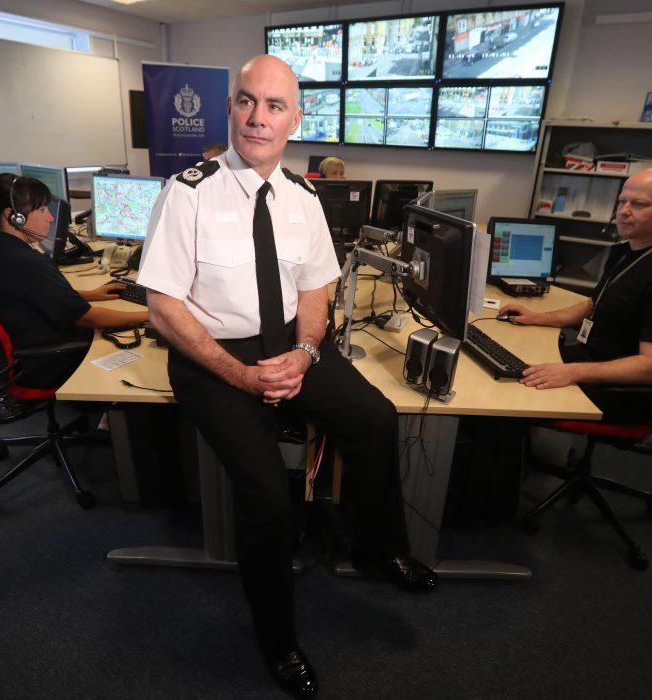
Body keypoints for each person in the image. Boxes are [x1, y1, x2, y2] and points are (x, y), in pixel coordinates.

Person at [137, 54, 437, 698]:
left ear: (294, 120)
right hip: (212, 358)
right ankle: (278, 639)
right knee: (270, 499)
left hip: (288, 349)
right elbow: (163, 307)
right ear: (229, 107)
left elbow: (315, 293)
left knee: (376, 418)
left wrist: (304, 353)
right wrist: (242, 376)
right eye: (247, 101)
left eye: (274, 107)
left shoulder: (304, 198)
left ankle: (378, 548)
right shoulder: (186, 191)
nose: (257, 118)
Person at [499, 166, 652, 422]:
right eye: (622, 202)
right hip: (589, 360)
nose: (624, 211)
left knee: (505, 392)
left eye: (639, 204)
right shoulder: (626, 251)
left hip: (619, 390)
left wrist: (571, 372)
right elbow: (595, 305)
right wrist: (537, 317)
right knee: (506, 361)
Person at [0, 173, 146, 388]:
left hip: (10, 358)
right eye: (41, 210)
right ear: (13, 216)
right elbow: (88, 318)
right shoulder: (27, 263)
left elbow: (25, 296)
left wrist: (89, 294)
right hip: (44, 363)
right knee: (134, 351)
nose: (49, 217)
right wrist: (150, 315)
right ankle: (108, 411)